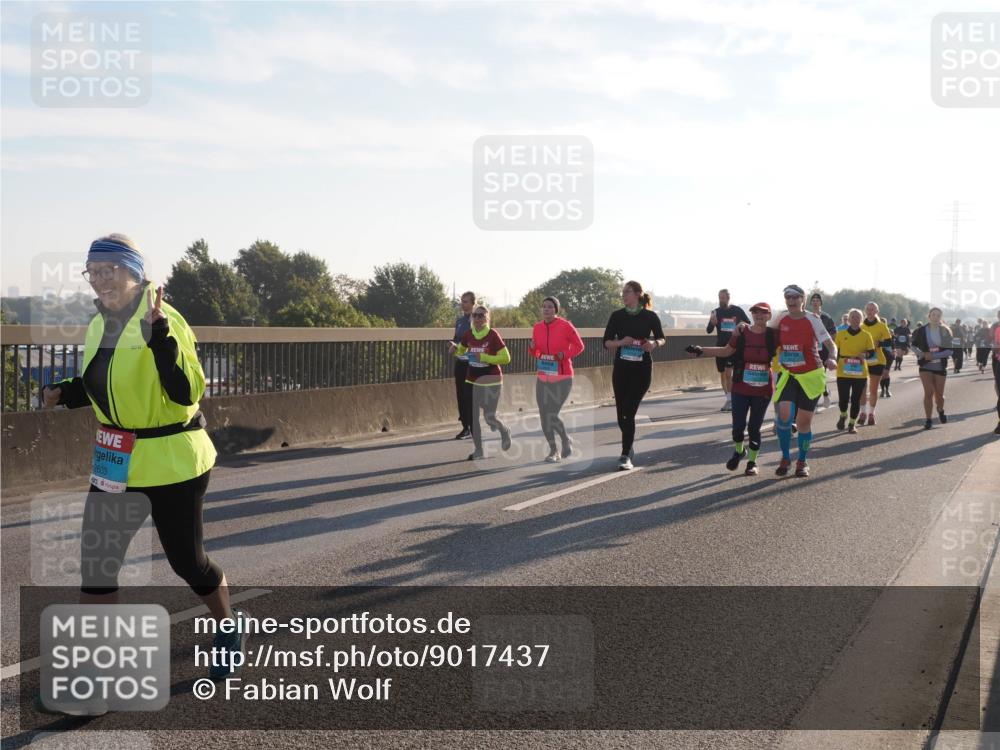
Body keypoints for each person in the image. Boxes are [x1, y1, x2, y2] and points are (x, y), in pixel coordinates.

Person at [40, 234, 244, 710]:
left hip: (171, 459)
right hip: (115, 461)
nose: (100, 278)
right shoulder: (99, 324)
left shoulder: (164, 319)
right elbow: (103, 382)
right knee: (98, 565)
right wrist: (66, 392)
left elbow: (187, 391)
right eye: (92, 271)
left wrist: (162, 342)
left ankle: (228, 627)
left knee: (188, 563)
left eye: (109, 269)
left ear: (133, 271)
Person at [687, 302, 778, 476]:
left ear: (769, 316)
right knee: (737, 427)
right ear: (752, 315)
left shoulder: (773, 334)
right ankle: (739, 450)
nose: (759, 315)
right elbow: (726, 351)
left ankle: (752, 462)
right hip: (741, 387)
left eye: (763, 313)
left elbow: (792, 335)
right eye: (755, 312)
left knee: (754, 428)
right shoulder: (742, 332)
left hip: (763, 390)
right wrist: (701, 350)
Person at [767, 284, 837, 477]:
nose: (791, 301)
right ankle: (785, 457)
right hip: (789, 374)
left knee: (804, 422)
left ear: (802, 300)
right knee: (784, 416)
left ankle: (802, 461)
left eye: (795, 297)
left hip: (810, 375)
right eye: (788, 298)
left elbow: (831, 344)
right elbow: (764, 334)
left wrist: (832, 357)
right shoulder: (780, 318)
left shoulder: (812, 319)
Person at [604, 280, 666, 470]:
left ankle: (625, 455)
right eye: (623, 292)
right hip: (621, 370)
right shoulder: (617, 316)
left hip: (641, 371)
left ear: (638, 294)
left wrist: (654, 344)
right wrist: (621, 342)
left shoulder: (649, 316)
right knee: (621, 415)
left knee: (629, 412)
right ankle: (628, 444)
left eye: (627, 292)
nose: (624, 295)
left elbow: (662, 338)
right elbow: (606, 342)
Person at [529, 296, 584, 462]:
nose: (546, 309)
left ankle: (565, 439)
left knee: (551, 414)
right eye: (544, 306)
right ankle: (554, 451)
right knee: (544, 415)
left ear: (556, 310)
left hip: (563, 376)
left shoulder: (565, 326)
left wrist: (564, 354)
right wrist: (532, 349)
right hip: (543, 376)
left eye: (550, 307)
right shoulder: (537, 327)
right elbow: (536, 352)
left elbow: (579, 346)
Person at [453, 305, 512, 460]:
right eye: (475, 315)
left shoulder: (493, 335)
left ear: (487, 318)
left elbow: (506, 358)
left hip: (491, 379)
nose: (478, 318)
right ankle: (478, 450)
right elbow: (461, 350)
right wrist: (455, 349)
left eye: (481, 315)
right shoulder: (469, 334)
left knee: (489, 417)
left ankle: (504, 430)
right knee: (472, 416)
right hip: (472, 379)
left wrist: (485, 358)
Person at [706, 289, 750, 412]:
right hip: (720, 347)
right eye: (720, 298)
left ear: (728, 298)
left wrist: (740, 326)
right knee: (722, 375)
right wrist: (712, 323)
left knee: (728, 373)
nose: (721, 300)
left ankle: (732, 400)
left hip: (733, 347)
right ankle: (728, 398)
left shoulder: (737, 310)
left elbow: (748, 324)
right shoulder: (715, 312)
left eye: (723, 298)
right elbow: (708, 330)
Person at [910, 308, 954, 429]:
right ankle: (928, 419)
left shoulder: (945, 331)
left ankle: (940, 409)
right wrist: (922, 354)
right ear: (929, 316)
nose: (935, 317)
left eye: (938, 315)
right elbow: (913, 346)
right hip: (925, 366)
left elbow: (950, 351)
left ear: (941, 317)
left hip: (940, 366)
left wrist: (933, 356)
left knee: (939, 396)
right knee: (928, 393)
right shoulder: (921, 330)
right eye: (933, 315)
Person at [834, 309, 876, 434]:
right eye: (853, 317)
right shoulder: (840, 334)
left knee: (855, 399)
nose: (855, 319)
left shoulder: (866, 335)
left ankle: (852, 424)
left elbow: (871, 352)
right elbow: (835, 351)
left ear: (861, 319)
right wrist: (834, 361)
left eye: (858, 317)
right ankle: (843, 415)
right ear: (848, 319)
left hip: (860, 372)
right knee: (843, 398)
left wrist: (864, 355)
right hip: (843, 371)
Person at [859, 302, 893, 425]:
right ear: (865, 311)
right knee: (861, 389)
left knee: (873, 389)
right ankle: (863, 412)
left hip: (877, 361)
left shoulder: (881, 326)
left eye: (872, 309)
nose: (870, 311)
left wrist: (880, 343)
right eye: (868, 309)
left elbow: (889, 342)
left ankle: (871, 414)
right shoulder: (861, 326)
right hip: (862, 361)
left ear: (877, 311)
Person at [449, 291, 476, 439]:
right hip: (460, 361)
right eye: (462, 301)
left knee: (469, 395)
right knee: (460, 394)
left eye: (465, 301)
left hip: (472, 363)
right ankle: (465, 427)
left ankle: (472, 426)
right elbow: (456, 339)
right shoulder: (459, 321)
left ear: (473, 303)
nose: (462, 304)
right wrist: (453, 345)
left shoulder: (477, 320)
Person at [809, 293, 837, 409]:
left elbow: (833, 333)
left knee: (820, 374)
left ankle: (824, 394)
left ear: (820, 303)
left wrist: (831, 349)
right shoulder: (808, 316)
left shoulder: (826, 317)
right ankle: (816, 398)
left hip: (824, 350)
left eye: (817, 300)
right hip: (811, 349)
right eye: (813, 300)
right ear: (811, 303)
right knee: (812, 375)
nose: (815, 302)